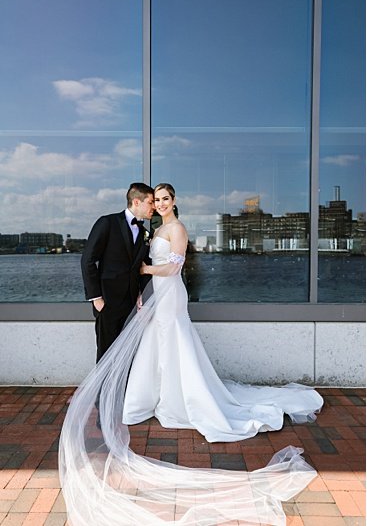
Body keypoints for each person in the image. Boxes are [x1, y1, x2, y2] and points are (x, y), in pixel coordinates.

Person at [59, 183, 324, 524]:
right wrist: (112, 294)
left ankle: (176, 399)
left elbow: (172, 267)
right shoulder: (130, 226)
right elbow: (90, 259)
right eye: (155, 200)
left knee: (173, 346)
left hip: (169, 295)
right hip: (138, 299)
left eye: (164, 199)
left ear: (173, 202)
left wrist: (144, 275)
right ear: (141, 202)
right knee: (141, 347)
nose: (158, 205)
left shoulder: (177, 229)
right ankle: (124, 399)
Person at [81, 182, 155, 361]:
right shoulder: (107, 222)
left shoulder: (145, 233)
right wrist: (97, 299)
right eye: (151, 202)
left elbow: (143, 268)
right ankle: (104, 390)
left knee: (127, 355)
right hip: (107, 301)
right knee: (106, 354)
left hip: (131, 304)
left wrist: (141, 296)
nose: (154, 207)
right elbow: (88, 260)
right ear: (137, 202)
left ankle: (123, 390)